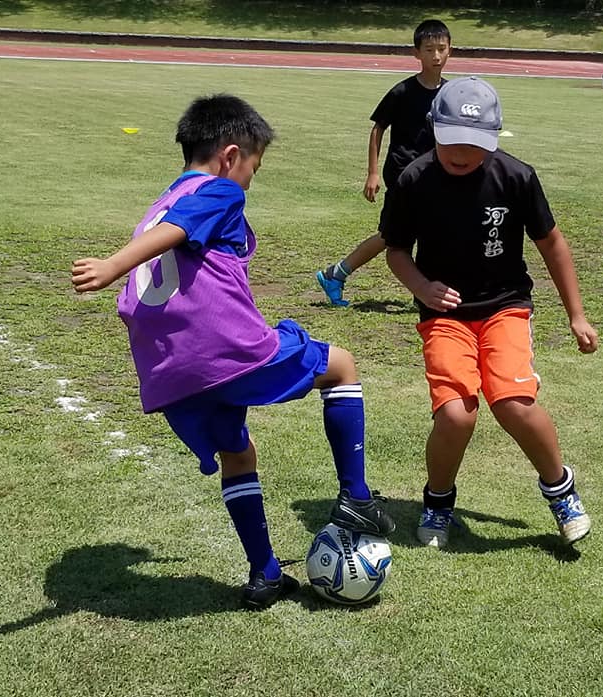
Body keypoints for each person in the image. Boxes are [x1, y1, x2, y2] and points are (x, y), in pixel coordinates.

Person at [71, 94, 394, 609]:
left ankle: (265, 573)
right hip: (222, 353)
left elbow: (176, 249)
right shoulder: (218, 190)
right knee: (341, 365)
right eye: (253, 169)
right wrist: (111, 265)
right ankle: (355, 497)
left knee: (237, 454)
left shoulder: (165, 197)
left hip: (169, 372)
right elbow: (176, 234)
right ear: (229, 155)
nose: (248, 181)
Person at [382, 76, 599, 548]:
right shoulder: (413, 180)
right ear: (433, 129)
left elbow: (552, 245)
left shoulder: (516, 177)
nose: (463, 154)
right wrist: (422, 285)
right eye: (452, 142)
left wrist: (576, 315)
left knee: (513, 403)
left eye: (476, 145)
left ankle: (560, 489)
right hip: (445, 315)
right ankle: (438, 502)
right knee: (456, 414)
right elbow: (396, 250)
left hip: (505, 306)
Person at [316, 19, 452, 307]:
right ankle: (337, 274)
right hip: (403, 175)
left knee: (421, 231)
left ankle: (421, 292)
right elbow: (378, 129)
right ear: (417, 53)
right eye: (429, 49)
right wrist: (372, 173)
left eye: (442, 49)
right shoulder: (402, 92)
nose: (436, 56)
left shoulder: (451, 94)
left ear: (450, 51)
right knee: (393, 235)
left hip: (434, 176)